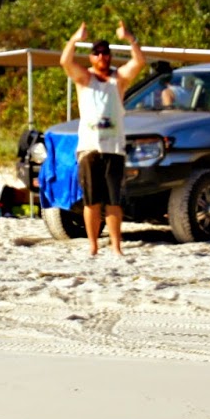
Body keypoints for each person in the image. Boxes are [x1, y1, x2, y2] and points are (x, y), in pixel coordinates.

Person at [60, 20, 146, 257]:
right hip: (89, 147)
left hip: (114, 147)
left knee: (114, 202)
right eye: (97, 53)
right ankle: (93, 246)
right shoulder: (85, 79)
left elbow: (139, 62)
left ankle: (116, 247)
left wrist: (130, 38)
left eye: (105, 53)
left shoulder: (118, 79)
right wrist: (75, 39)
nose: (102, 57)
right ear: (91, 58)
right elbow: (65, 62)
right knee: (91, 202)